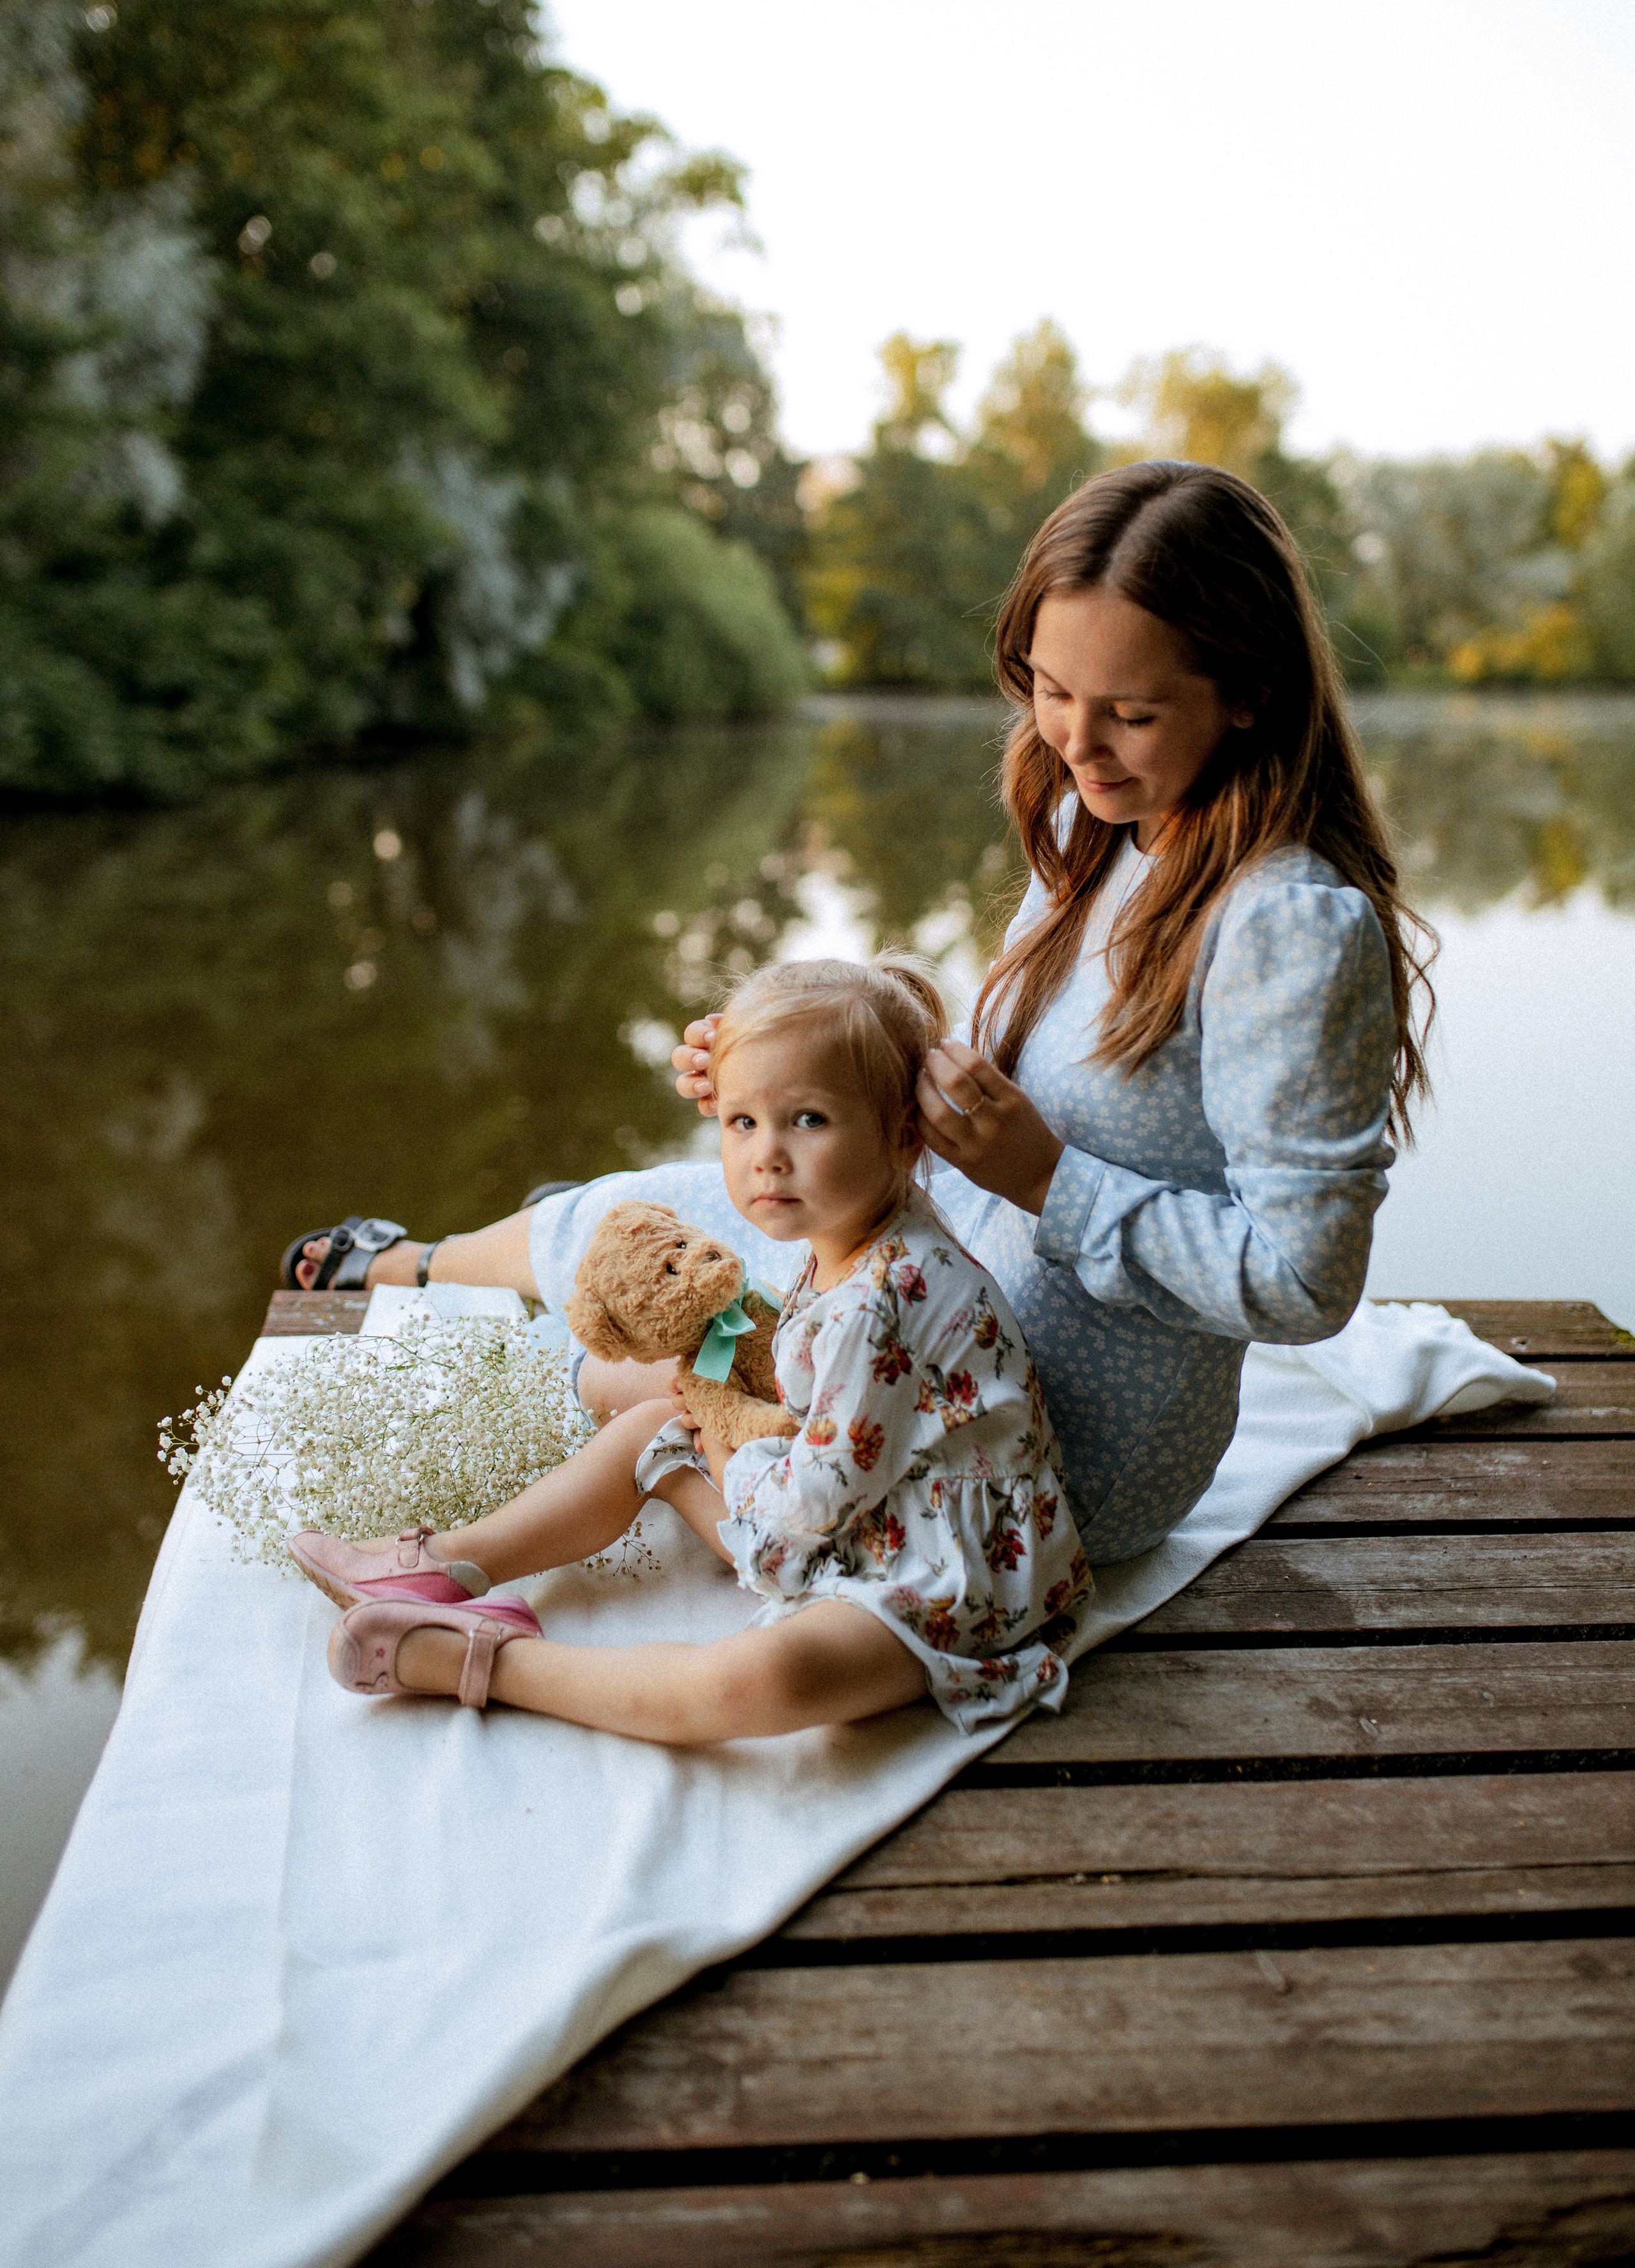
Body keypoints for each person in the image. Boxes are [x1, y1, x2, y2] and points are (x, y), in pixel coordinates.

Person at [287, 462, 1431, 1566]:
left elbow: (1307, 1285)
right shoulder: (1106, 828)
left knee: (621, 1352)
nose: (1073, 744)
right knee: (660, 1208)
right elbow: (994, 1077)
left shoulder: (1286, 928)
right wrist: (786, 1077)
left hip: (1035, 1441)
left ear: (1251, 695)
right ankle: (409, 1268)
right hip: (926, 1284)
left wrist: (1047, 1181)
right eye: (1048, 689)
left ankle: (486, 1388)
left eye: (1128, 711)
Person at [302, 958, 1091, 1744]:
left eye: (808, 1121)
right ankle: (451, 1564)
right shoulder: (857, 1223)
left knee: (754, 1683)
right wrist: (779, 1071)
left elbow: (811, 1506)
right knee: (654, 1421)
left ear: (904, 1133)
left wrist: (721, 1447)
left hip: (946, 1578)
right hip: (869, 1505)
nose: (765, 1157)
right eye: (743, 1122)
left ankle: (479, 1660)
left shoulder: (881, 1302)